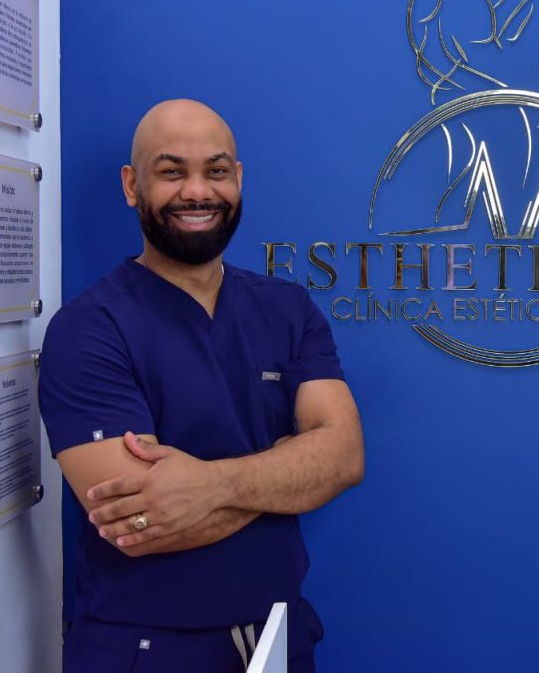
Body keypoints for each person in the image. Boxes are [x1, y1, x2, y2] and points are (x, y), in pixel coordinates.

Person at [38, 99, 364, 672]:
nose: (196, 192)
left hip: (279, 640)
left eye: (215, 171)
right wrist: (289, 468)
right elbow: (141, 523)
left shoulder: (288, 309)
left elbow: (343, 458)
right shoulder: (89, 329)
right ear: (132, 186)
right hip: (146, 648)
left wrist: (209, 485)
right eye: (171, 172)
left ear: (238, 179)